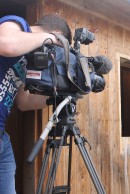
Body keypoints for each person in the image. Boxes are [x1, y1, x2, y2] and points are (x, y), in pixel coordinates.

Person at [0, 14, 72, 194]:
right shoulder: (18, 24)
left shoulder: (29, 60)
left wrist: (61, 95)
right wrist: (51, 39)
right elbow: (5, 43)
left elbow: (24, 102)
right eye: (60, 48)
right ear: (56, 34)